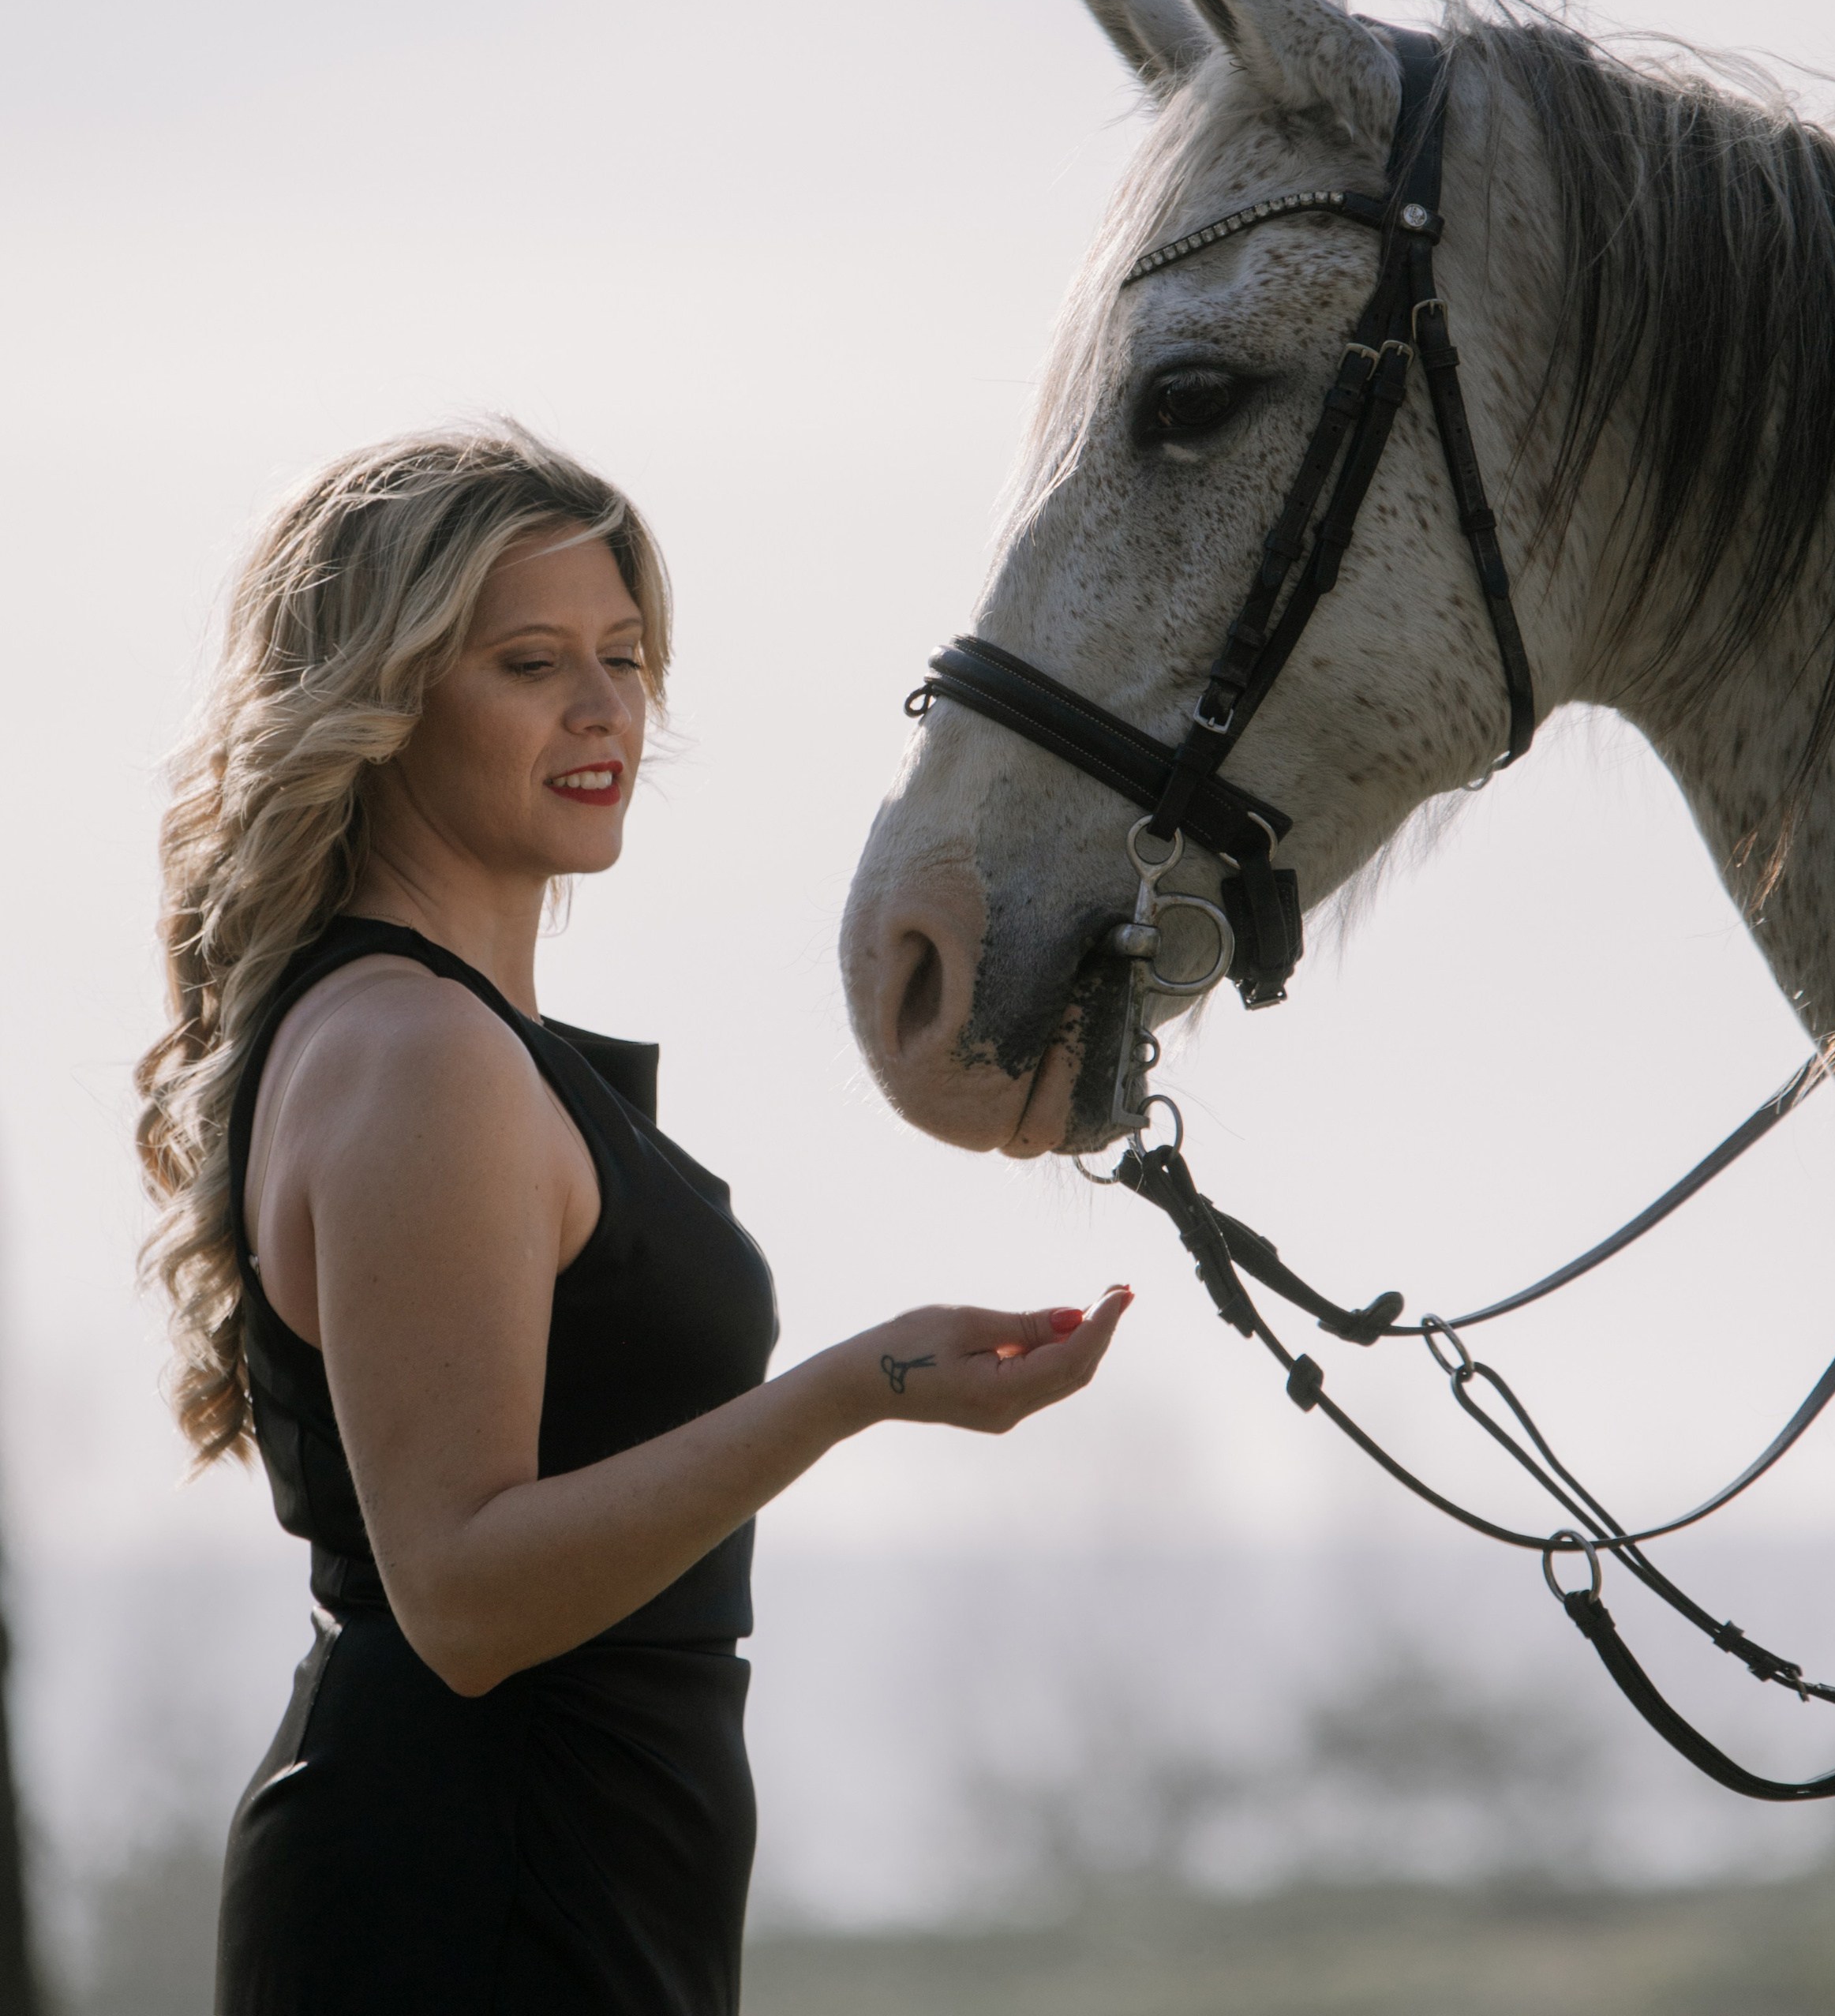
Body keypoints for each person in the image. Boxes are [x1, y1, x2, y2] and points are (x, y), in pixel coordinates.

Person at [135, 424, 1131, 2016]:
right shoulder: (423, 1054)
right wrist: (854, 1386)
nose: (606, 711)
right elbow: (461, 1598)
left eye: (623, 655)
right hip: (478, 1885)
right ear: (385, 702)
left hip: (565, 1855)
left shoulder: (437, 1037)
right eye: (531, 663)